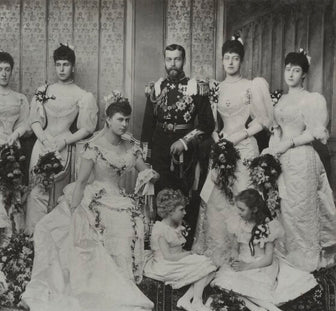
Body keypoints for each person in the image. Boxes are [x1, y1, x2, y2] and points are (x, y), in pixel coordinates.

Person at [21, 93, 156, 311]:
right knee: (74, 229)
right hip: (93, 196)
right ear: (108, 119)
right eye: (120, 119)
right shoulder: (94, 146)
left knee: (129, 223)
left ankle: (121, 286)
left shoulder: (131, 147)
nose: (124, 124)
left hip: (119, 198)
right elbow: (82, 182)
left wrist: (150, 176)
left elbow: (146, 170)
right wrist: (73, 210)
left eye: (126, 120)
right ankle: (95, 289)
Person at [192, 35, 274, 266]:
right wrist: (217, 138)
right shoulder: (216, 87)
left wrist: (239, 136)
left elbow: (262, 120)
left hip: (245, 146)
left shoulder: (251, 86)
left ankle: (248, 252)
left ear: (242, 61)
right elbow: (211, 123)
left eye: (235, 58)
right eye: (226, 58)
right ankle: (218, 248)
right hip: (223, 146)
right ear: (222, 60)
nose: (230, 62)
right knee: (218, 198)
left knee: (243, 195)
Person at [266, 50, 336, 272]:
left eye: (296, 70)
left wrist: (289, 143)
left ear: (304, 75)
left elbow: (315, 132)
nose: (291, 74)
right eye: (288, 69)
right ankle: (284, 252)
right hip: (281, 158)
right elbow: (277, 127)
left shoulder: (311, 99)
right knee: (284, 205)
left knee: (301, 207)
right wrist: (273, 146)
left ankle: (304, 255)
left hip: (302, 156)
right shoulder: (282, 99)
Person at [141, 44, 215, 238]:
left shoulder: (196, 88)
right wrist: (146, 158)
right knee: (160, 194)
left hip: (186, 152)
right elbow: (147, 126)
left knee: (183, 196)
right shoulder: (156, 88)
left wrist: (185, 141)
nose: (173, 64)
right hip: (159, 149)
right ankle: (161, 240)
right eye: (169, 59)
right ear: (164, 61)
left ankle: (183, 240)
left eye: (177, 59)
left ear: (184, 61)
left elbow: (208, 124)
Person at [212, 189, 317, 311]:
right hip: (244, 261)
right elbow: (235, 248)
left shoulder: (268, 227)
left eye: (242, 209)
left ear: (254, 209)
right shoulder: (237, 223)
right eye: (237, 208)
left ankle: (273, 310)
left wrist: (247, 266)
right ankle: (257, 309)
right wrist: (235, 257)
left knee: (237, 285)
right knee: (223, 282)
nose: (238, 212)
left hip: (261, 265)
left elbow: (268, 259)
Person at [25, 44, 98, 234]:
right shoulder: (44, 90)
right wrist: (43, 139)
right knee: (37, 191)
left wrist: (65, 141)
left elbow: (86, 128)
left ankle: (56, 237)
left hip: (65, 146)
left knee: (58, 192)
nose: (62, 69)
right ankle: (33, 236)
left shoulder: (81, 95)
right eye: (58, 65)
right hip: (42, 143)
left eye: (66, 64)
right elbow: (34, 120)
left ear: (73, 67)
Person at [144, 189, 216, 311]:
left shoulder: (175, 227)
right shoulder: (160, 230)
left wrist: (193, 254)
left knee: (211, 264)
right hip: (164, 265)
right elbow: (168, 256)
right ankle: (197, 301)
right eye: (181, 210)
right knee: (206, 264)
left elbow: (177, 250)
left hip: (174, 260)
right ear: (170, 211)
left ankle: (187, 299)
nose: (185, 212)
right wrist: (190, 254)